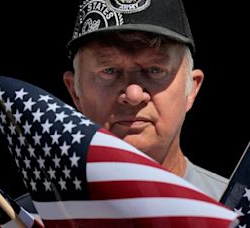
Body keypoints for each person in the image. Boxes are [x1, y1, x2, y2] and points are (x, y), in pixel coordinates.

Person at [61, 0, 228, 201]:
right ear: (75, 92)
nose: (133, 95)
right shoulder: (30, 219)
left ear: (191, 88)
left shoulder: (245, 213)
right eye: (109, 71)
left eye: (155, 70)